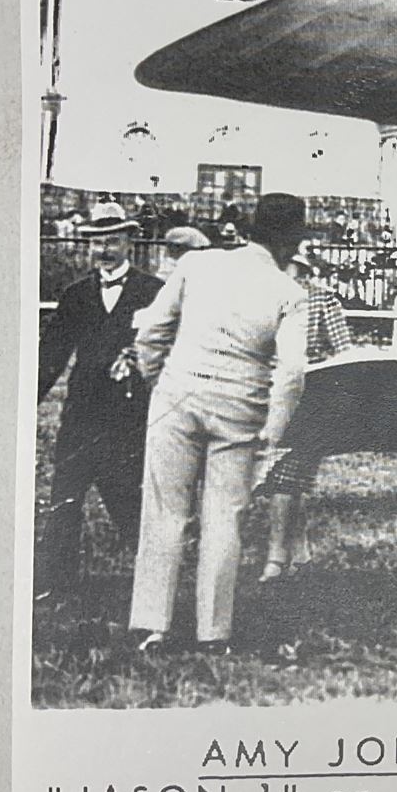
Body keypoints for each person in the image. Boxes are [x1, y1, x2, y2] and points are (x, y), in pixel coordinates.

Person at [126, 193, 311, 652]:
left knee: (164, 512)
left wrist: (159, 381)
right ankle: (213, 633)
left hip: (178, 394)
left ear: (248, 228)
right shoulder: (291, 293)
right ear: (291, 241)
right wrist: (273, 428)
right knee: (224, 518)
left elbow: (151, 331)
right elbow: (292, 373)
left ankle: (153, 625)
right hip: (240, 407)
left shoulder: (196, 265)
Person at [35, 201, 165, 600]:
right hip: (81, 414)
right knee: (64, 498)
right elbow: (51, 354)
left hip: (128, 417)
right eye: (97, 243)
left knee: (128, 499)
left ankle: (153, 585)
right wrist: (23, 402)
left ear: (128, 242)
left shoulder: (152, 292)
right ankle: (54, 585)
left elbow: (168, 349)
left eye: (113, 241)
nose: (104, 250)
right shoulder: (76, 295)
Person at [258, 241, 355, 582]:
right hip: (266, 393)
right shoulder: (263, 296)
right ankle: (298, 550)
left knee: (287, 471)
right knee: (284, 474)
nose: (292, 273)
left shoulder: (323, 300)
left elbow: (344, 354)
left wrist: (312, 368)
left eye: (298, 268)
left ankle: (276, 556)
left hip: (312, 395)